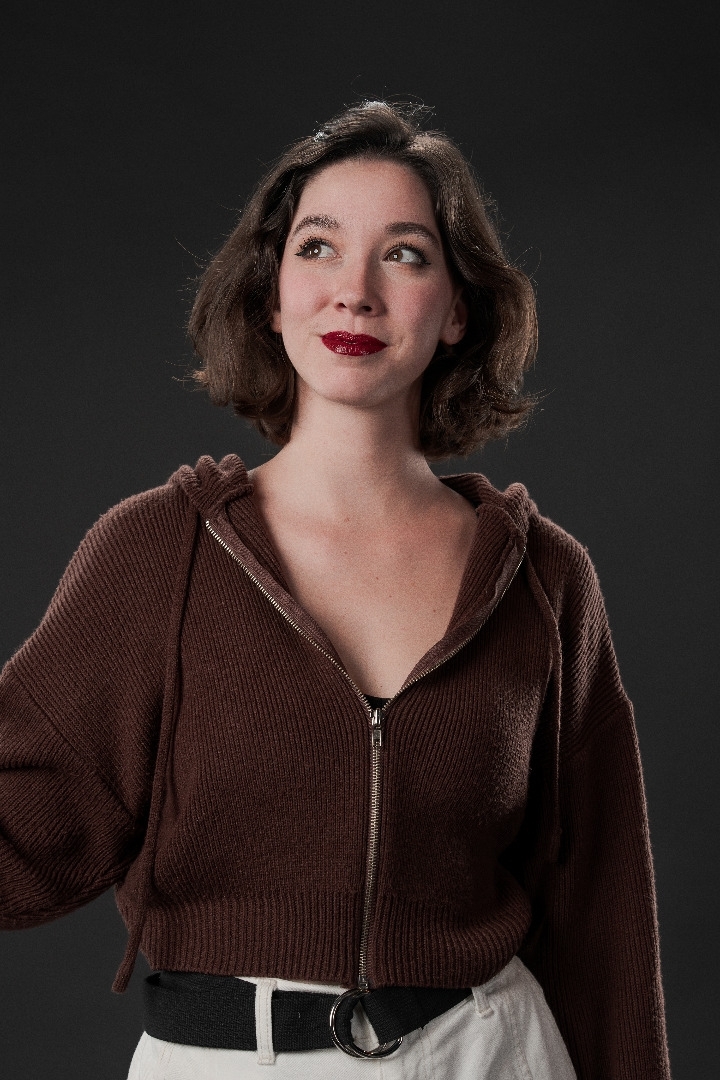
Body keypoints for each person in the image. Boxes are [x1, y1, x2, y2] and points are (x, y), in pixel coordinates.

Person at [0, 102, 671, 1080]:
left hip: (490, 1054)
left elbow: (603, 915)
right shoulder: (157, 554)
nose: (355, 292)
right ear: (270, 296)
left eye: (404, 255)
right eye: (317, 247)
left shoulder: (545, 579)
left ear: (458, 310)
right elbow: (23, 824)